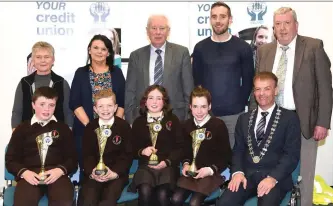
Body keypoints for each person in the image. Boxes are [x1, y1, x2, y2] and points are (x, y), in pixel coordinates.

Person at [252, 7, 333, 206]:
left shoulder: (313, 47)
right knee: (273, 168)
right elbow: (257, 87)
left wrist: (322, 122)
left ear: (296, 25)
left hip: (303, 120)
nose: (282, 28)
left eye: (287, 23)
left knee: (305, 173)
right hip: (271, 119)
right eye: (278, 24)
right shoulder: (264, 51)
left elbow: (325, 88)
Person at [217, 72, 301, 205]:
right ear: (254, 92)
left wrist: (273, 178)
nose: (262, 93)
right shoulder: (243, 119)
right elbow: (238, 150)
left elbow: (291, 155)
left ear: (276, 90)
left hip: (274, 177)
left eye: (267, 88)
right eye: (258, 89)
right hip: (246, 176)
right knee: (224, 202)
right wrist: (237, 172)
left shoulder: (290, 118)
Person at [192, 1, 254, 148]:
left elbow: (248, 81)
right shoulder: (200, 48)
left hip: (234, 115)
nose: (218, 21)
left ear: (230, 19)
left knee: (234, 157)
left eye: (222, 16)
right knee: (207, 158)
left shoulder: (243, 47)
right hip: (207, 116)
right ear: (210, 20)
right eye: (214, 17)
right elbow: (197, 81)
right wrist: (204, 109)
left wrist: (238, 104)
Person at [5, 86, 78, 206]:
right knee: (23, 202)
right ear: (33, 105)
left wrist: (60, 170)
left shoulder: (63, 129)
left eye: (51, 105)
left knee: (63, 201)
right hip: (30, 176)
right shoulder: (21, 129)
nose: (47, 109)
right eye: (42, 104)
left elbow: (72, 159)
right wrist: (24, 173)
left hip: (56, 175)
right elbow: (11, 160)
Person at [125, 14, 194, 125]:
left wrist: (188, 119)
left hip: (176, 117)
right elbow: (130, 91)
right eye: (154, 28)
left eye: (162, 28)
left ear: (168, 31)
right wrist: (131, 121)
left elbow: (188, 89)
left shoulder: (182, 53)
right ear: (147, 31)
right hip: (142, 118)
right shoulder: (136, 56)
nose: (158, 32)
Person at [69, 34, 126, 169]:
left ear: (108, 53)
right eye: (95, 48)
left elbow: (122, 102)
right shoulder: (80, 73)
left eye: (103, 49)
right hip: (85, 132)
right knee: (88, 174)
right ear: (89, 50)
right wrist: (91, 128)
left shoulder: (117, 73)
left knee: (112, 169)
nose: (99, 52)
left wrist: (114, 127)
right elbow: (75, 103)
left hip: (113, 133)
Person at [170, 86, 232, 206]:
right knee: (176, 199)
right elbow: (185, 151)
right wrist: (187, 164)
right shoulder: (186, 126)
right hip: (192, 173)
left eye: (203, 107)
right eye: (195, 106)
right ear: (190, 107)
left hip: (211, 173)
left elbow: (226, 156)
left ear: (209, 106)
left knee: (194, 203)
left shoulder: (218, 125)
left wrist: (210, 170)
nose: (199, 111)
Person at [129, 85, 184, 206]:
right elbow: (131, 149)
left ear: (164, 102)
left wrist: (167, 162)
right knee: (145, 191)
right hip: (146, 167)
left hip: (167, 167)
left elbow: (180, 148)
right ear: (145, 101)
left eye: (159, 98)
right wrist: (142, 151)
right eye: (151, 98)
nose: (154, 102)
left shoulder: (173, 120)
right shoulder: (138, 122)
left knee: (162, 194)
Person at [77, 89, 132, 206]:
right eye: (101, 106)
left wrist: (115, 172)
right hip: (94, 174)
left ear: (115, 107)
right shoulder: (90, 127)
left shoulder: (124, 126)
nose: (105, 109)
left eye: (109, 106)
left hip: (116, 175)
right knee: (87, 200)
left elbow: (126, 155)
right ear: (95, 109)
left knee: (107, 201)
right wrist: (92, 172)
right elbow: (86, 154)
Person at [12, 41, 73, 131]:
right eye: (38, 57)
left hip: (56, 134)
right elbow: (17, 111)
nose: (43, 60)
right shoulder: (24, 82)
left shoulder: (61, 82)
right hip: (28, 134)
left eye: (46, 57)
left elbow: (68, 112)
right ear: (33, 60)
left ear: (53, 60)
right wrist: (15, 133)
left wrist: (68, 132)